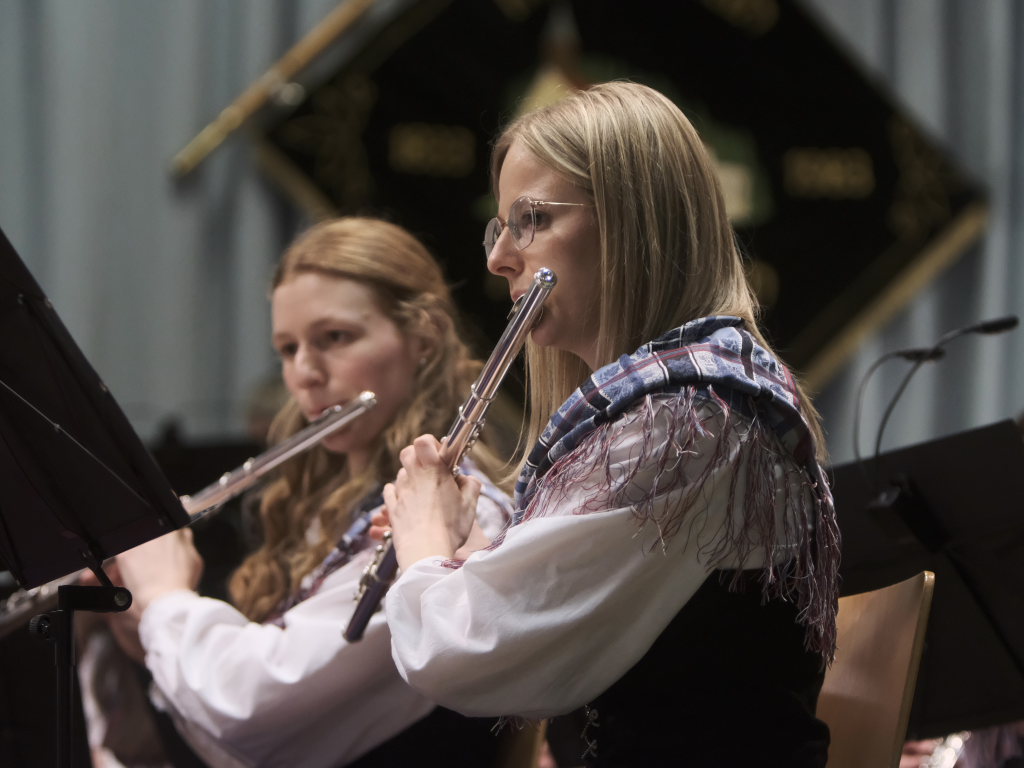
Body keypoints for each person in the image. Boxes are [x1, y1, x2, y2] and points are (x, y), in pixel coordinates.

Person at [379, 82, 841, 767]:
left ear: (633, 222)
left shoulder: (691, 420)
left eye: (533, 218)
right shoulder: (673, 410)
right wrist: (463, 546)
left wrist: (419, 538)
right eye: (499, 226)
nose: (498, 258)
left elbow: (459, 654)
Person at [103, 217, 513, 767]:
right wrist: (140, 627)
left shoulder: (456, 518)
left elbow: (251, 710)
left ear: (423, 337)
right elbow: (231, 746)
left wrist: (163, 597)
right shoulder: (326, 508)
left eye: (334, 338)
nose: (304, 373)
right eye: (287, 348)